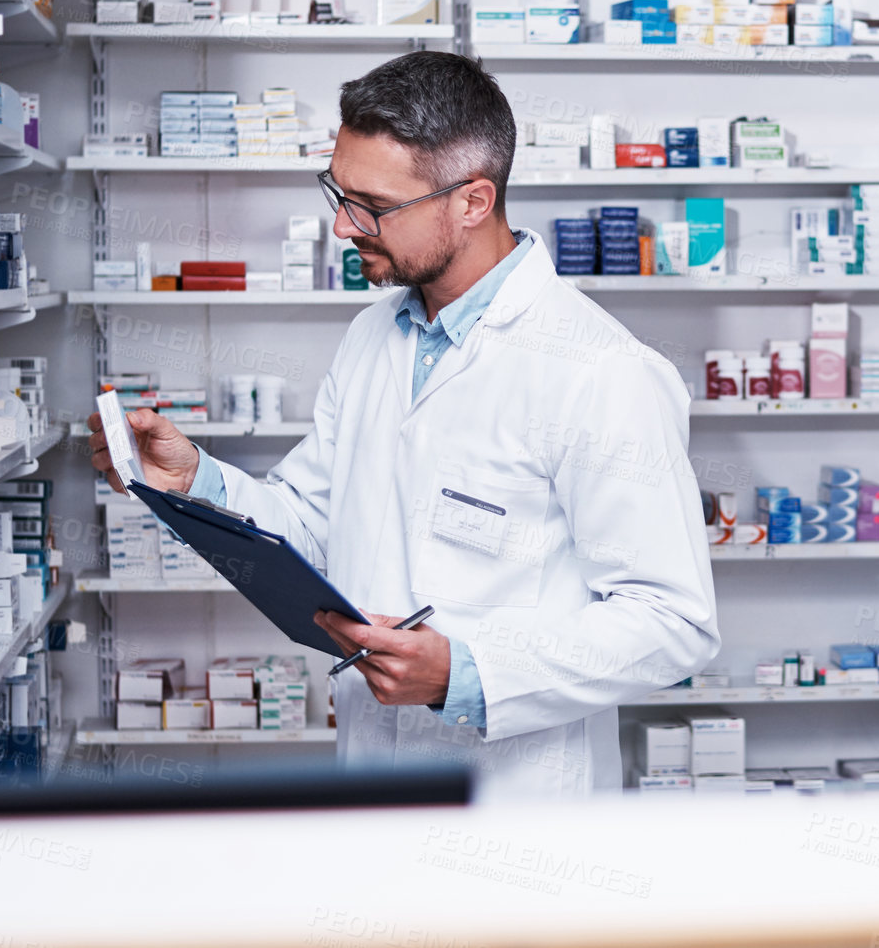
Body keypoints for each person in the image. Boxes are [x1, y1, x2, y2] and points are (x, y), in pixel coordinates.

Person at [89, 52, 718, 799]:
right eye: (338, 192)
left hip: (517, 811)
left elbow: (672, 620)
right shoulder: (371, 337)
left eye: (372, 205)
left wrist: (470, 673)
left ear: (472, 201)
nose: (341, 225)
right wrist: (195, 478)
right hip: (372, 783)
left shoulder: (601, 370)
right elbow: (312, 524)